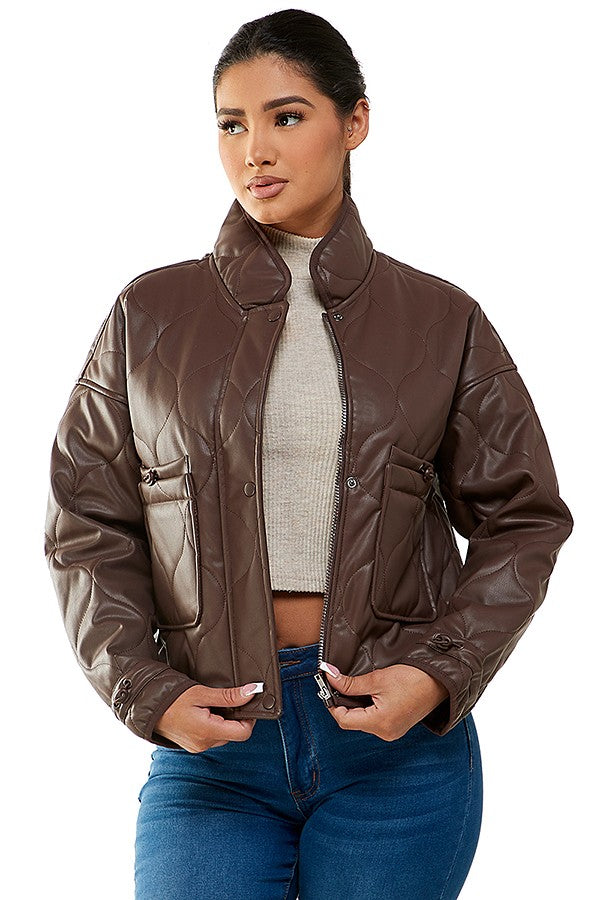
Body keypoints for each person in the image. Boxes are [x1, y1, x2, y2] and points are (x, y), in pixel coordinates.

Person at [44, 9, 574, 900]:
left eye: (285, 117)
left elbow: (523, 520)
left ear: (354, 121)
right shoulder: (150, 314)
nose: (255, 149)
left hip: (395, 752)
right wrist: (145, 687)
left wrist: (436, 675)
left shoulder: (441, 318)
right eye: (231, 124)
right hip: (214, 752)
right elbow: (87, 523)